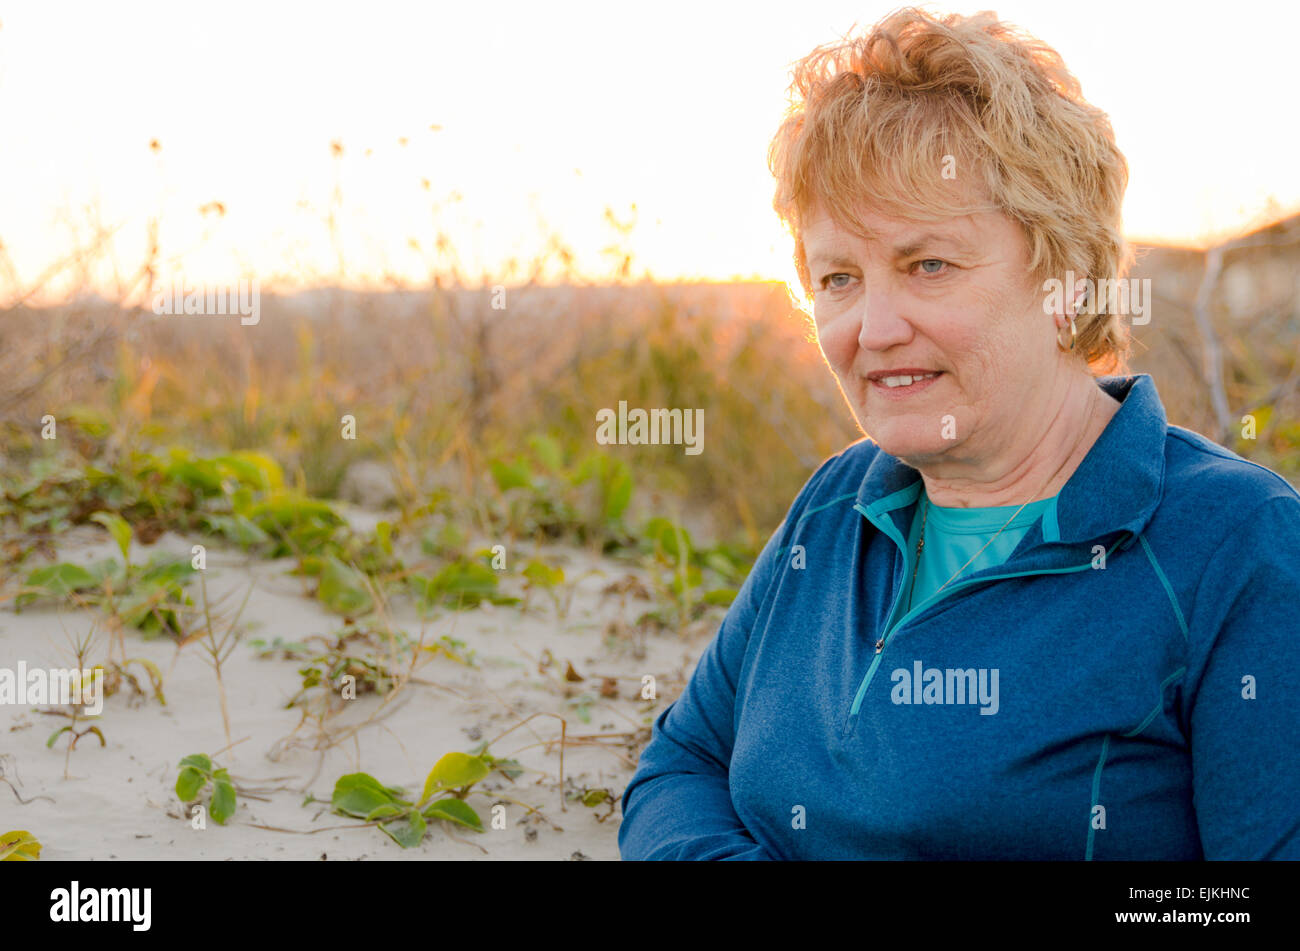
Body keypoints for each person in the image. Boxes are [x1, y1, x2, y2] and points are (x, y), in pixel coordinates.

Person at [617, 7, 1300, 860]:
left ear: (1067, 280)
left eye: (927, 265)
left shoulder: (1237, 545)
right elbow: (682, 764)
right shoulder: (835, 506)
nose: (874, 327)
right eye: (837, 277)